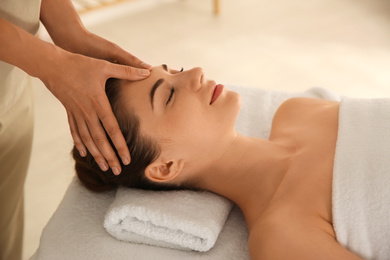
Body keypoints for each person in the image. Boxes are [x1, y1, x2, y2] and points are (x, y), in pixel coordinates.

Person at [74, 64, 368, 259]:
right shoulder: (281, 235)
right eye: (169, 95)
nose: (195, 72)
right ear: (165, 167)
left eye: (173, 70)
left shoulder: (299, 113)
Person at [0, 0, 152, 259]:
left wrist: (71, 31)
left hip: (10, 81)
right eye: (168, 96)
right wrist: (50, 63)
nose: (197, 74)